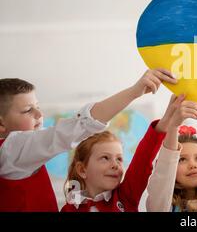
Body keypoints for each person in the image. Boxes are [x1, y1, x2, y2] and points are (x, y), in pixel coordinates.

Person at [0, 68, 176, 211]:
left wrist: (166, 124)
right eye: (27, 110)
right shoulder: (12, 148)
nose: (40, 114)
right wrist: (134, 92)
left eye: (38, 107)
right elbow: (78, 127)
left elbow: (142, 162)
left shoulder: (125, 198)